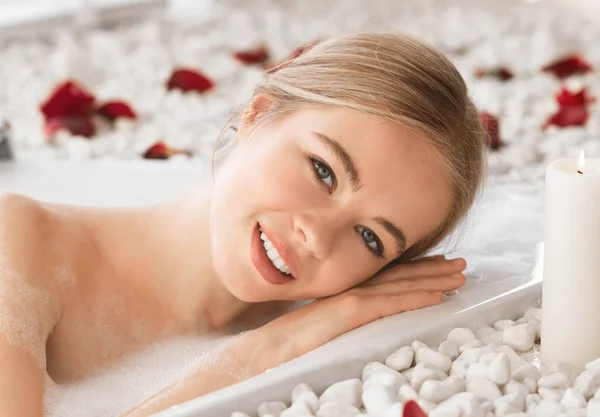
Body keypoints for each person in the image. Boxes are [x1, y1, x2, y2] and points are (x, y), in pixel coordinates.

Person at [0, 32, 486, 417]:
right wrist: (261, 353)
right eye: (323, 171)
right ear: (259, 112)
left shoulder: (322, 325)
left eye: (370, 237)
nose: (316, 237)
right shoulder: (18, 240)